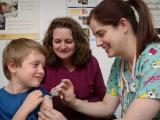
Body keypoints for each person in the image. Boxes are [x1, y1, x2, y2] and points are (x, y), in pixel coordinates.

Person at [53, 0, 160, 120]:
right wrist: (72, 102)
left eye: (101, 34)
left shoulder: (156, 59)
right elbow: (107, 108)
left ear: (123, 25)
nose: (98, 43)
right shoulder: (120, 63)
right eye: (95, 36)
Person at [41, 17, 116, 120]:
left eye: (68, 41)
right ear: (51, 42)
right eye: (57, 41)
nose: (62, 47)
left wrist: (78, 102)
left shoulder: (91, 62)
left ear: (77, 42)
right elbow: (32, 92)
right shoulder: (43, 63)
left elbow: (102, 98)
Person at [0, 38, 53, 120]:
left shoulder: (40, 91)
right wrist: (25, 109)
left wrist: (47, 103)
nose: (42, 71)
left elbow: (47, 95)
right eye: (35, 65)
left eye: (43, 66)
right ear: (13, 67)